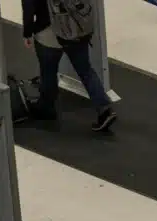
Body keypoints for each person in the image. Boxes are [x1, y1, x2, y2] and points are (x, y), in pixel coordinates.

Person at [21, 0, 117, 132]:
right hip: (75, 29)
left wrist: (27, 33)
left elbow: (29, 8)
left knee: (48, 71)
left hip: (48, 32)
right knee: (85, 71)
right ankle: (104, 108)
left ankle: (46, 107)